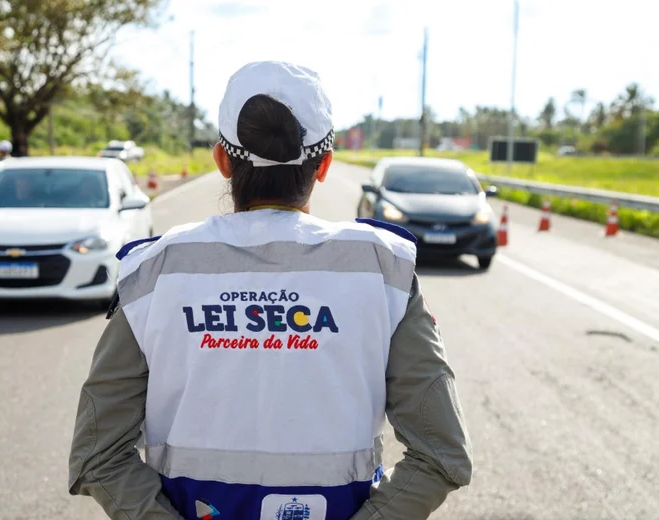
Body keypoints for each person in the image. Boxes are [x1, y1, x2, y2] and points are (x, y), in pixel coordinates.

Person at [68, 61, 472, 520]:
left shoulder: (152, 272)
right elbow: (442, 455)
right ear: (324, 165)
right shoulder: (383, 270)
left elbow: (97, 456)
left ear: (222, 161)